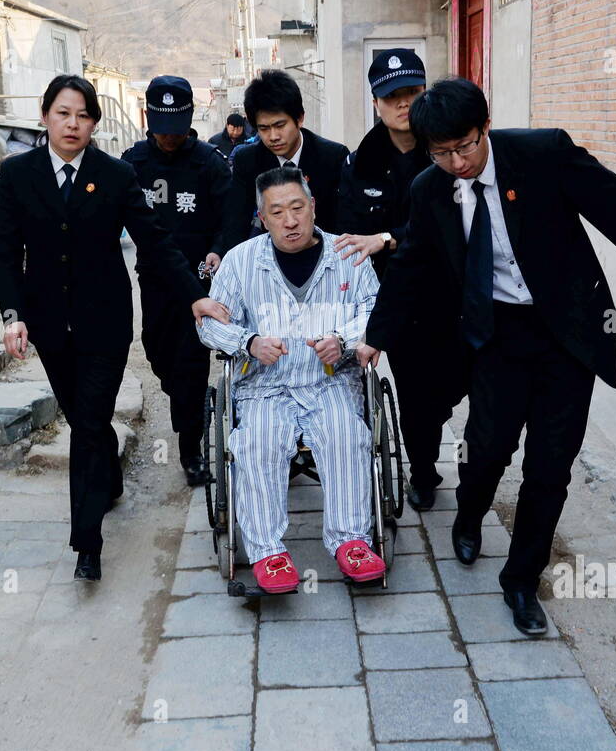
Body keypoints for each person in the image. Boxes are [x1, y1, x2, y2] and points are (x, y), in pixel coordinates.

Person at [357, 79, 616, 636]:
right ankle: (468, 515)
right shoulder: (429, 189)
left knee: (550, 463)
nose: (457, 162)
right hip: (498, 334)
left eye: (465, 146)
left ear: (484, 127)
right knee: (488, 446)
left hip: (566, 331)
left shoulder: (542, 154)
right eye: (441, 153)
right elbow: (412, 265)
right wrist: (376, 336)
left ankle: (521, 577)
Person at [0, 74, 229, 583]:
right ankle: (111, 477)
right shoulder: (17, 175)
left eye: (82, 115)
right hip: (50, 324)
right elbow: (5, 250)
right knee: (84, 419)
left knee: (91, 421)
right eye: (62, 113)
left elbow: (157, 241)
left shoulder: (116, 175)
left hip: (106, 320)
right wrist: (13, 315)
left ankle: (87, 543)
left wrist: (196, 296)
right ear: (44, 115)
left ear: (95, 122)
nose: (72, 124)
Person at [197, 165, 385, 593]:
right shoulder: (241, 262)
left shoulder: (348, 254)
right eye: (277, 211)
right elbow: (209, 325)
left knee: (346, 434)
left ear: (313, 206)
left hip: (331, 381)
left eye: (298, 207)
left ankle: (351, 542)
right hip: (264, 386)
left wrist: (345, 339)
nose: (290, 220)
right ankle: (267, 552)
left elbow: (377, 310)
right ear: (262, 218)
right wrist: (248, 342)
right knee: (256, 442)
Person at [333, 48, 466, 512]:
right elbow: (352, 232)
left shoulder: (449, 152)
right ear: (376, 102)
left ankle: (442, 418)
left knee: (458, 383)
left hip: (456, 292)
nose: (404, 104)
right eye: (393, 96)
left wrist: (388, 237)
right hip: (400, 299)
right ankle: (424, 473)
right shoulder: (361, 162)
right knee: (415, 397)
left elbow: (453, 222)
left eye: (412, 92)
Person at [122, 76, 231, 486]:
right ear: (149, 118)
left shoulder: (210, 162)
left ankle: (191, 451)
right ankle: (187, 399)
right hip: (155, 280)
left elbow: (228, 217)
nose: (170, 136)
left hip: (201, 281)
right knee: (157, 353)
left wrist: (219, 249)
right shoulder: (132, 164)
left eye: (178, 126)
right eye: (163, 125)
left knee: (189, 363)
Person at [218, 69, 349, 253]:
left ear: (300, 118)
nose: (273, 136)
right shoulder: (247, 160)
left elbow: (343, 222)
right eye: (263, 128)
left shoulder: (333, 157)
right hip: (270, 256)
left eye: (280, 125)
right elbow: (235, 223)